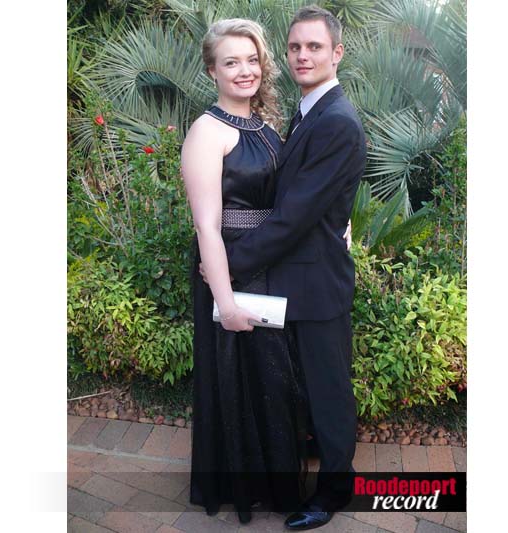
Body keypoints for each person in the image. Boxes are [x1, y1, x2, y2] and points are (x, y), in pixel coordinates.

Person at [219, 6, 367, 530]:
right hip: (295, 279)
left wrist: (227, 264)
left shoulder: (337, 122)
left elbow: (293, 218)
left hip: (317, 285)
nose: (303, 56)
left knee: (328, 394)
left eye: (315, 47)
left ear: (337, 53)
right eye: (296, 47)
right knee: (303, 389)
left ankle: (334, 492)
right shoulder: (310, 112)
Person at [180, 18, 309, 525]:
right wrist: (225, 301)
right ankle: (244, 486)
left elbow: (292, 197)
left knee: (273, 379)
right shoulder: (207, 132)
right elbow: (206, 226)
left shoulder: (265, 127)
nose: (244, 70)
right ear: (211, 70)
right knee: (239, 378)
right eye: (231, 61)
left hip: (269, 263)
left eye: (252, 60)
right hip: (230, 269)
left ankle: (270, 483)